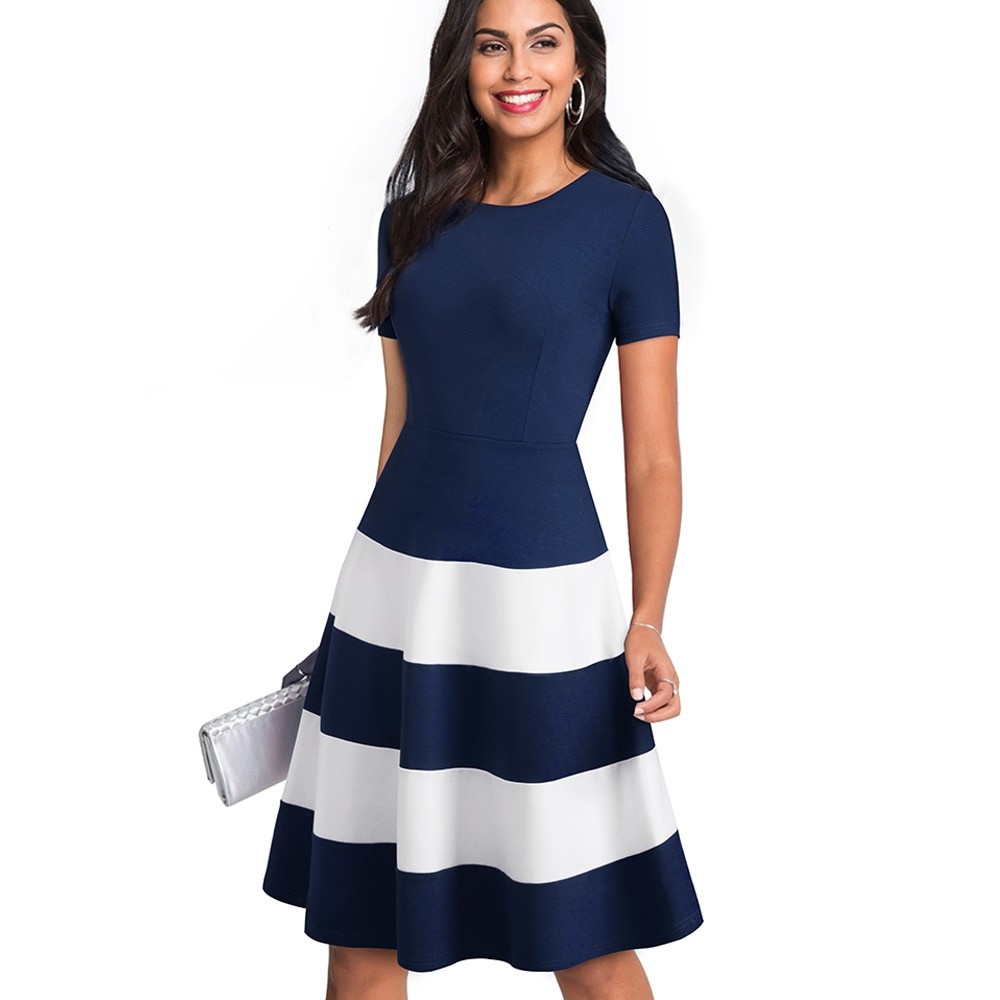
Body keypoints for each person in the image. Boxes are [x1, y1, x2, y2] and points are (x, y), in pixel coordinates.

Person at [262, 0, 704, 995]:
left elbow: (652, 457)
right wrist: (362, 611)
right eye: (491, 44)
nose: (517, 68)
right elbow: (401, 423)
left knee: (583, 932)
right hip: (393, 592)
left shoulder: (627, 223)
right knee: (362, 930)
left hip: (543, 602)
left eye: (543, 41)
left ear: (580, 61)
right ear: (460, 62)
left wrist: (647, 617)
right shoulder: (410, 218)